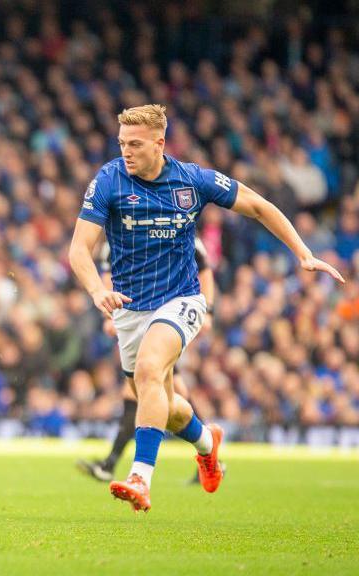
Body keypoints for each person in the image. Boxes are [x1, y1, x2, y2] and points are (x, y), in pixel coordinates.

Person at [69, 104, 344, 513]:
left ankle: (140, 478)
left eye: (136, 144)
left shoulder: (192, 180)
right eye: (122, 143)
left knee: (148, 370)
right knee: (165, 404)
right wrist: (95, 290)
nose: (126, 151)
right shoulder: (108, 181)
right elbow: (78, 248)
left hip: (181, 300)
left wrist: (303, 253)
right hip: (128, 309)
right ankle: (206, 443)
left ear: (160, 143)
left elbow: (257, 205)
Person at [77, 237, 227, 485]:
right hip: (134, 322)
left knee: (145, 389)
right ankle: (208, 445)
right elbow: (107, 278)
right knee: (166, 398)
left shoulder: (179, 228)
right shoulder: (113, 242)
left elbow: (205, 272)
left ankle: (124, 468)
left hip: (168, 317)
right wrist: (109, 314)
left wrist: (208, 310)